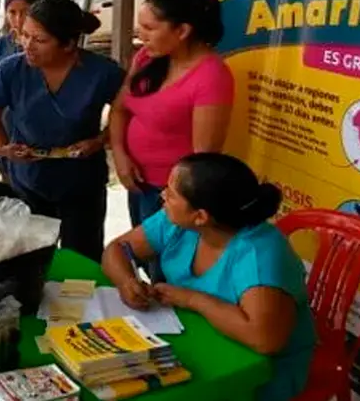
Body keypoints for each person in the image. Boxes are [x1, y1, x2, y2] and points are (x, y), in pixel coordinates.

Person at [101, 153, 315, 401]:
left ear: (201, 216)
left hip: (259, 372)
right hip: (198, 341)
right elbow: (116, 250)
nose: (162, 196)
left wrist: (192, 299)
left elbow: (264, 339)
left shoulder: (259, 253)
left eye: (171, 193)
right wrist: (126, 281)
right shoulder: (177, 222)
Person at [0, 0, 124, 261]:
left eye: (40, 40)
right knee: (32, 255)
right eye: (24, 36)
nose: (28, 46)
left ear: (68, 44)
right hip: (28, 177)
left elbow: (124, 111)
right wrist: (2, 146)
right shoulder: (12, 69)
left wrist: (100, 140)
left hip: (81, 178)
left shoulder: (102, 72)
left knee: (82, 256)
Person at [108, 0, 234, 279]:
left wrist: (173, 199)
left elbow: (203, 159)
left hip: (174, 197)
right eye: (141, 28)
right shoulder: (148, 58)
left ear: (183, 30)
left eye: (150, 28)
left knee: (167, 270)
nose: (142, 36)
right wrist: (120, 155)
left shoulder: (211, 76)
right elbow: (120, 109)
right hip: (138, 182)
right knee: (144, 262)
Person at [0, 0, 45, 181]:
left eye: (25, 12)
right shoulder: (1, 45)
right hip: (5, 119)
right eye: (11, 12)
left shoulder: (48, 44)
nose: (18, 19)